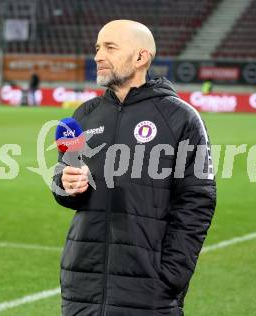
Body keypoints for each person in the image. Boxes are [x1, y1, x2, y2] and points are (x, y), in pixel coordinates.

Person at [52, 20, 217, 316]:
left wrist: (171, 275)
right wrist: (67, 184)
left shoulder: (180, 118)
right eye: (98, 47)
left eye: (110, 47)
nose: (98, 56)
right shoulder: (85, 115)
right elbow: (64, 180)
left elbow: (198, 201)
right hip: (82, 286)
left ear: (141, 58)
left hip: (147, 290)